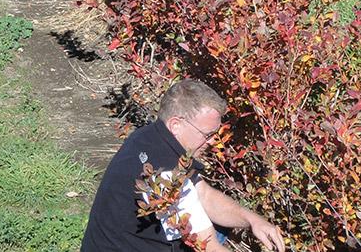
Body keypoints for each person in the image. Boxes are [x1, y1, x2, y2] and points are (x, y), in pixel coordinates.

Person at [81, 79, 286, 252]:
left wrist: (253, 220)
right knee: (213, 235)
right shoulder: (165, 176)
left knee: (217, 226)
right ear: (176, 125)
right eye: (207, 135)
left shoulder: (150, 137)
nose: (213, 142)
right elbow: (208, 247)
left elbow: (204, 194)